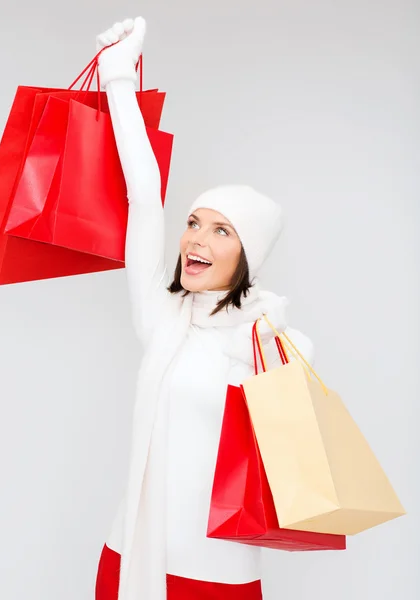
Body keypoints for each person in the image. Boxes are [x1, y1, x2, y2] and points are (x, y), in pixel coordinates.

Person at [94, 16, 314, 600]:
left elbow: (297, 461)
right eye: (193, 223)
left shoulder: (272, 344)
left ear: (250, 256)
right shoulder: (163, 317)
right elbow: (143, 198)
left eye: (221, 231)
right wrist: (119, 77)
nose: (196, 238)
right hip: (130, 556)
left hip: (216, 573)